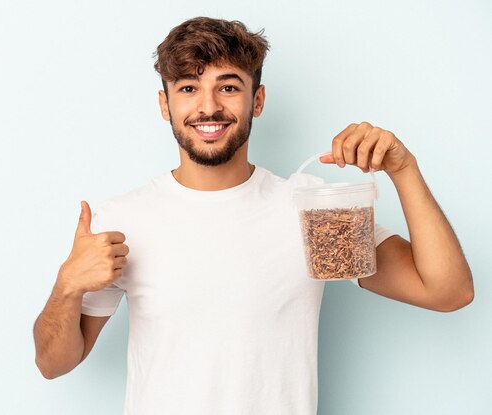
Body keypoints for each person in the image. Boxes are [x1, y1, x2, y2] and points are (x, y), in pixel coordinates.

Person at [33, 16, 474, 415]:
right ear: (165, 105)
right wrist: (67, 285)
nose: (208, 107)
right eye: (188, 88)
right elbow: (53, 363)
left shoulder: (315, 213)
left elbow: (446, 291)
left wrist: (403, 168)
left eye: (228, 86)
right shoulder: (123, 220)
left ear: (257, 100)